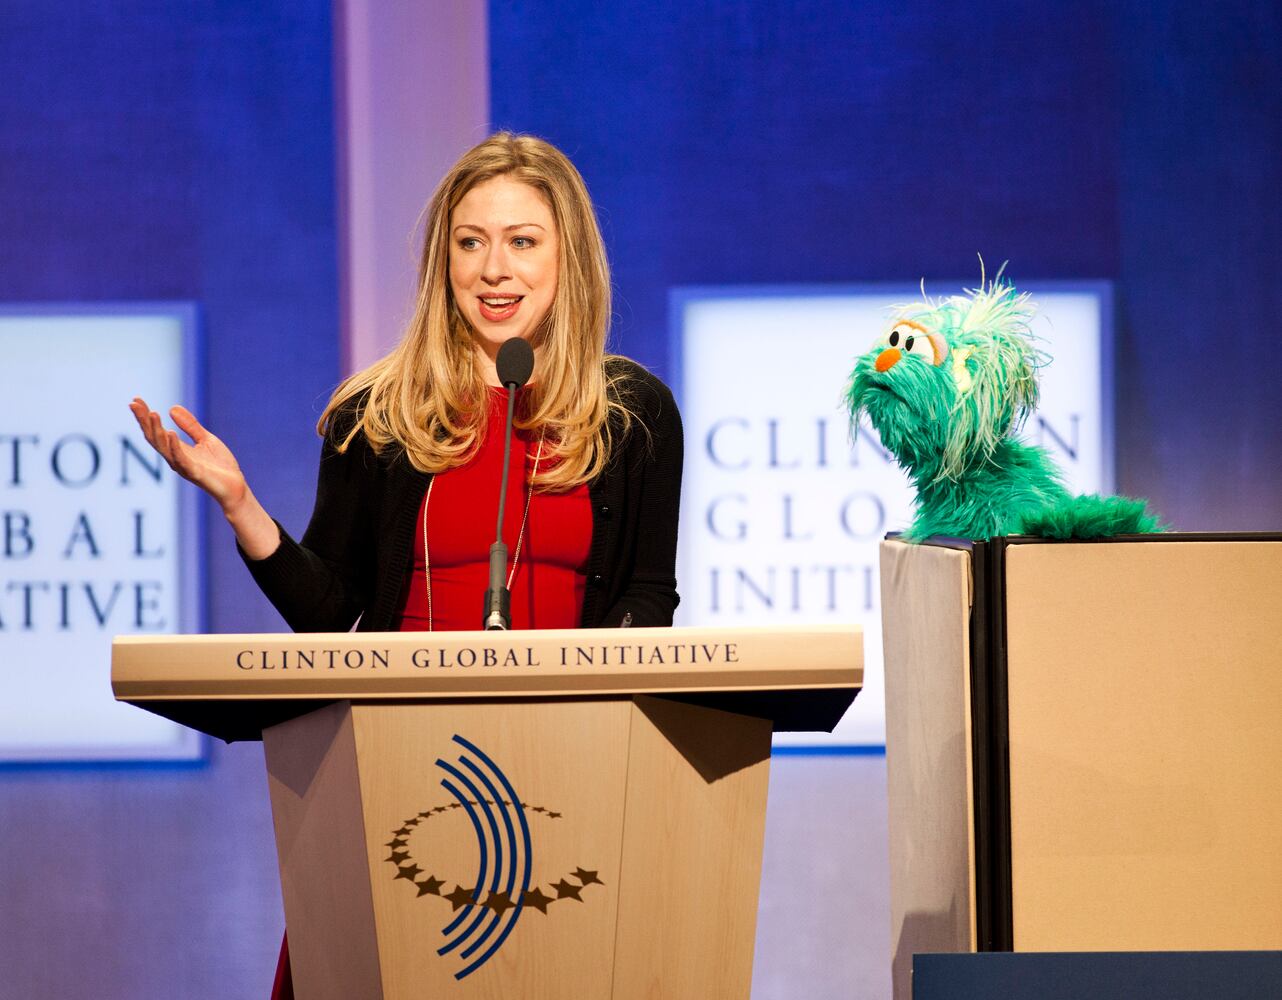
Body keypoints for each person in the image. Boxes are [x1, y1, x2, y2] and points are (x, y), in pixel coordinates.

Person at [128, 132, 683, 997]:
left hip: (568, 772)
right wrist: (241, 506)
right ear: (442, 260)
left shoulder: (632, 413)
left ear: (567, 256)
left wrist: (587, 718)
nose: (494, 269)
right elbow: (332, 616)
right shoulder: (379, 413)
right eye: (471, 242)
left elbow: (648, 597)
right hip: (398, 769)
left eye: (522, 241)